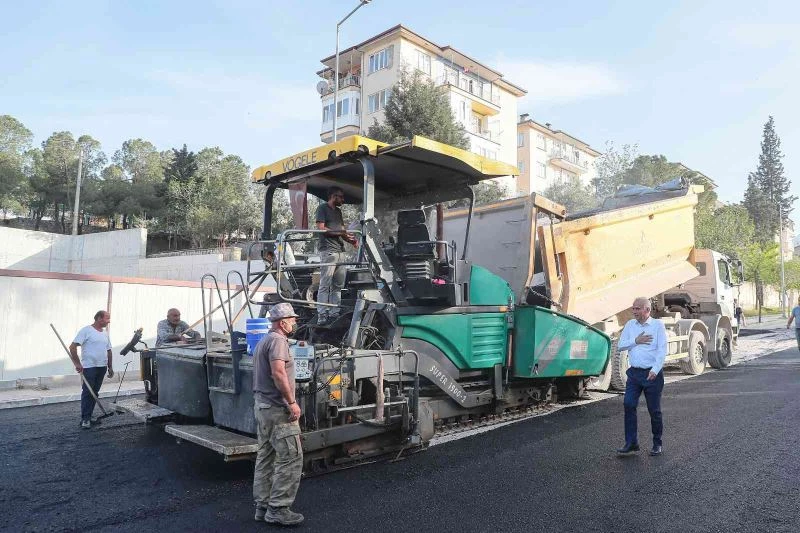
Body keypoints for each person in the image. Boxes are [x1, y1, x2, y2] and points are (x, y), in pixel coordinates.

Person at [252, 303, 304, 526]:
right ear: (282, 322)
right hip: (277, 409)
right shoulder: (278, 341)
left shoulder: (264, 340)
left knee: (267, 457)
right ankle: (279, 509)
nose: (294, 323)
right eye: (292, 320)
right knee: (291, 457)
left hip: (263, 407)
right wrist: (292, 402)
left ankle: (262, 506)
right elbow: (278, 372)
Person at [616, 297, 667, 457]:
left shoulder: (657, 326)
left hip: (652, 374)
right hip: (634, 374)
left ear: (647, 310)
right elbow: (620, 345)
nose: (634, 312)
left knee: (654, 411)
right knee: (629, 404)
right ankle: (631, 443)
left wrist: (656, 369)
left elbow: (662, 349)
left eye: (638, 309)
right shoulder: (630, 325)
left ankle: (657, 443)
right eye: (633, 308)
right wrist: (635, 341)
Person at [315, 186, 357, 324]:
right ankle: (322, 315)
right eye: (341, 197)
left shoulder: (338, 212)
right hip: (328, 251)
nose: (343, 200)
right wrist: (341, 233)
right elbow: (321, 229)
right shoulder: (322, 208)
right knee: (325, 284)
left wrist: (351, 240)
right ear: (333, 196)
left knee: (338, 285)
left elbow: (342, 231)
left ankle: (335, 313)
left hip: (340, 251)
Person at [68, 311, 114, 429]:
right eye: (107, 318)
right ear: (99, 318)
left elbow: (109, 350)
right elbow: (72, 347)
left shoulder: (105, 334)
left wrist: (110, 366)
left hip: (101, 367)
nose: (109, 321)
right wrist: (77, 363)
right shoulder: (86, 330)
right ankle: (85, 419)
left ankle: (89, 416)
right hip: (89, 367)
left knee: (95, 393)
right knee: (88, 392)